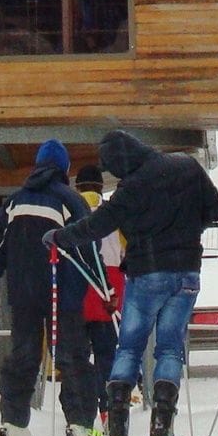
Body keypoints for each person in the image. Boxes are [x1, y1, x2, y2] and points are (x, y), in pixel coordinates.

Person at [48, 128, 218, 436]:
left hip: (146, 275)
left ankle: (117, 431)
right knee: (170, 348)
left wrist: (60, 238)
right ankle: (162, 430)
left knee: (128, 347)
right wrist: (186, 234)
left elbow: (97, 226)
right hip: (186, 272)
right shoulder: (187, 166)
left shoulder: (131, 188)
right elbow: (215, 209)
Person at [0, 139, 106, 436]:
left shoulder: (13, 202)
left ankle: (14, 426)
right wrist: (106, 289)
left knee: (22, 358)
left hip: (22, 294)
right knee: (72, 357)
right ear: (64, 168)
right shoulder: (70, 200)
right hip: (63, 293)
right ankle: (80, 428)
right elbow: (89, 246)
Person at [74, 164, 124, 417]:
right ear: (101, 188)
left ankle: (82, 412)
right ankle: (108, 409)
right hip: (109, 288)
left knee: (78, 356)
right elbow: (126, 250)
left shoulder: (69, 213)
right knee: (107, 352)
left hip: (78, 286)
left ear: (77, 188)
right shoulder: (112, 214)